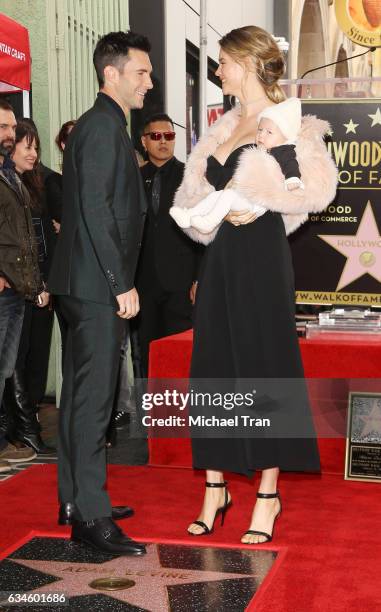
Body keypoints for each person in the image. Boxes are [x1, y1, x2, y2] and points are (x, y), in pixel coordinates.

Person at [173, 26, 337, 544]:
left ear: (246, 62)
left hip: (263, 258)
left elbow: (319, 190)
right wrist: (205, 215)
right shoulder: (221, 125)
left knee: (265, 368)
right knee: (214, 369)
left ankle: (267, 493)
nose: (217, 70)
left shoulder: (289, 121)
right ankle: (215, 487)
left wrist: (262, 200)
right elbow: (196, 192)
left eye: (222, 61)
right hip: (221, 257)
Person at [48, 31, 152, 556]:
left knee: (76, 398)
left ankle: (74, 497)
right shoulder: (104, 127)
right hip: (95, 287)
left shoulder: (101, 125)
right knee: (93, 403)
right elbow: (94, 208)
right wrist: (121, 282)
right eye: (141, 72)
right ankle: (91, 516)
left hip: (80, 283)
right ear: (110, 73)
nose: (148, 82)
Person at [170, 97, 304, 233]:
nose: (261, 135)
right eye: (260, 130)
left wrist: (292, 179)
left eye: (269, 132)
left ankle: (208, 223)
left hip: (256, 203)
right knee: (215, 196)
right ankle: (190, 215)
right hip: (244, 195)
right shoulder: (261, 150)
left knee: (226, 196)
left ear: (285, 137)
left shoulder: (283, 151)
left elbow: (291, 165)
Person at [0, 99, 49, 472]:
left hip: (19, 289)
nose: (9, 135)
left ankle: (5, 442)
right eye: (4, 128)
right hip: (7, 290)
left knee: (7, 369)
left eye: (11, 128)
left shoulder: (11, 176)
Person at [134, 113, 201, 377]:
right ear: (144, 141)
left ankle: (180, 413)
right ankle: (150, 412)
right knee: (145, 353)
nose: (163, 141)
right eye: (156, 136)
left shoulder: (190, 177)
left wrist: (199, 278)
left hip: (181, 283)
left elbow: (202, 230)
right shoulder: (132, 178)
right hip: (142, 282)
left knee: (180, 353)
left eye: (169, 136)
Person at [45, 120, 76, 363]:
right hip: (65, 275)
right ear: (63, 144)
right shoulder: (54, 182)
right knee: (70, 339)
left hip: (93, 273)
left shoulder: (94, 178)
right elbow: (61, 214)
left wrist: (67, 226)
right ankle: (70, 400)